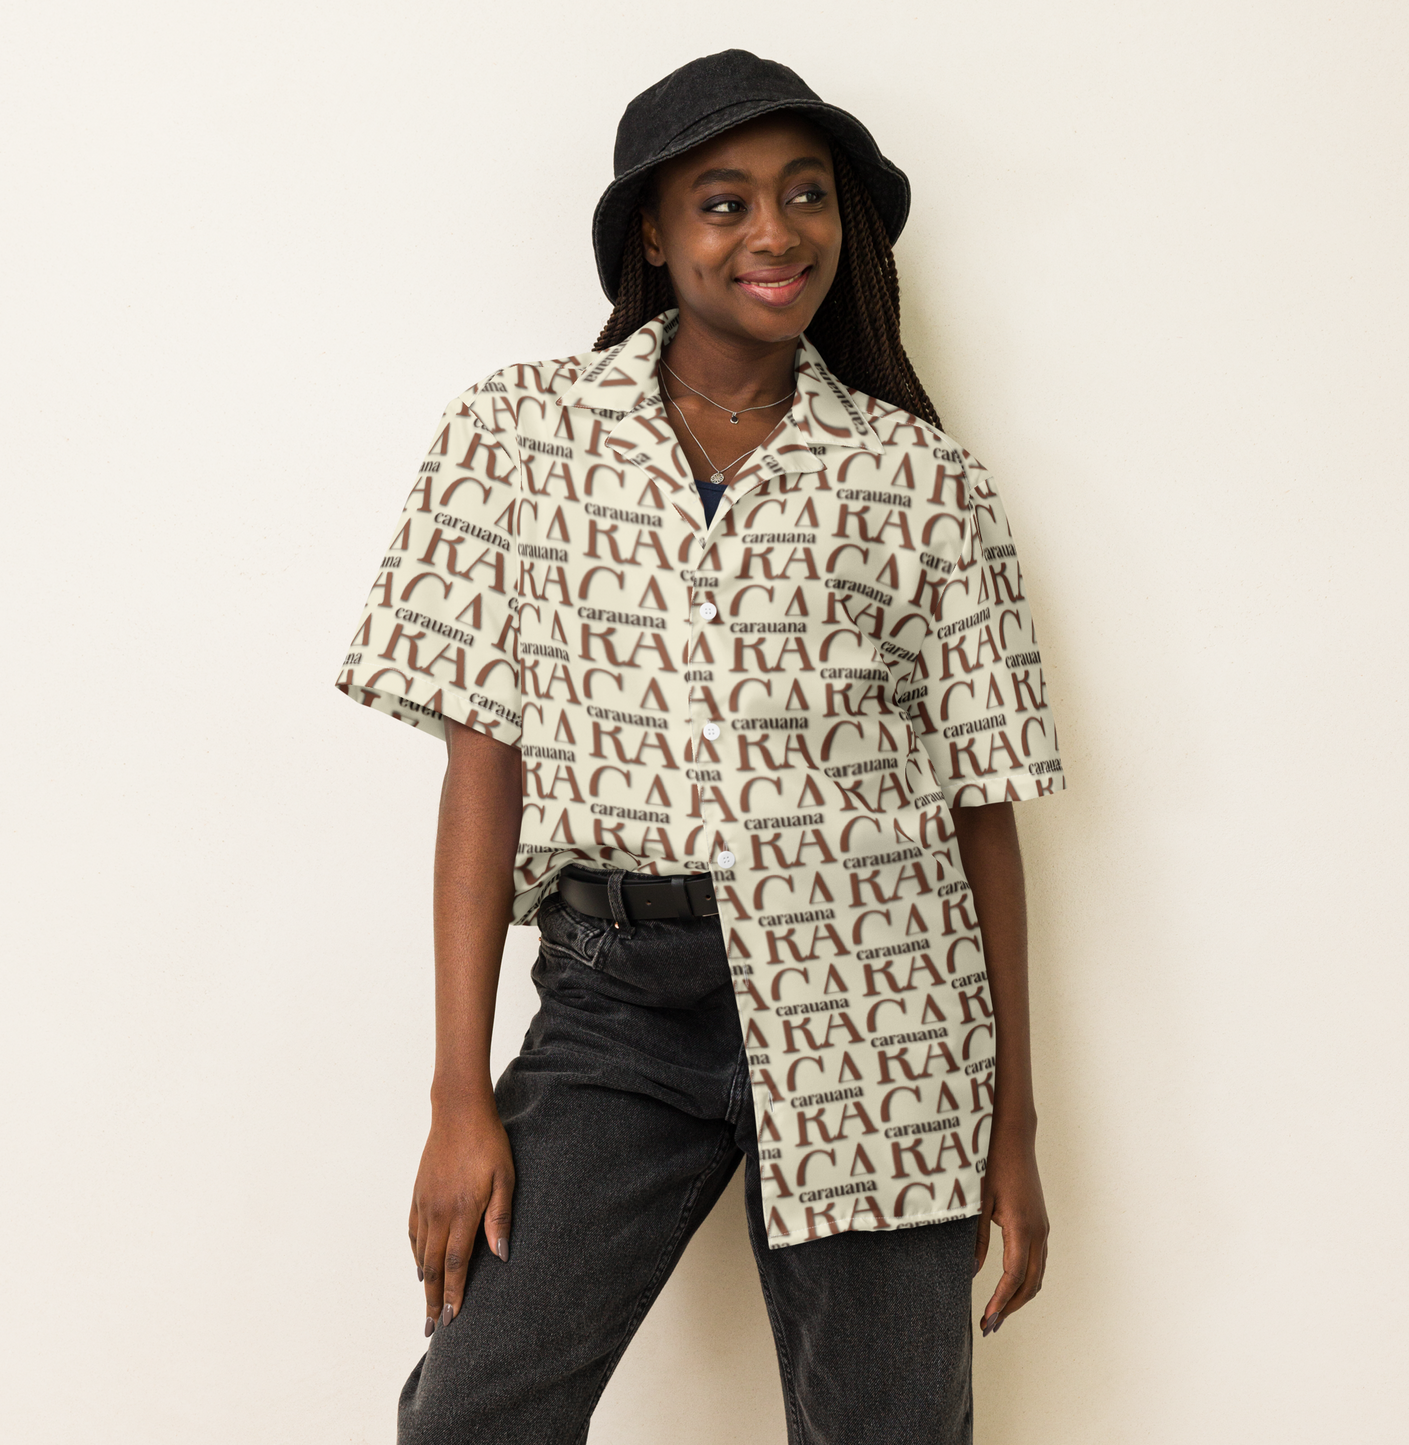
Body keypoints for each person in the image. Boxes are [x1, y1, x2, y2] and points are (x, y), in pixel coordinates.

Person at [335, 48, 1066, 1445]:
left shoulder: (921, 480)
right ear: (655, 239)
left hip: (880, 1008)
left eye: (807, 195)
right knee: (472, 1414)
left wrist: (1011, 1125)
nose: (774, 232)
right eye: (723, 203)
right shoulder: (520, 436)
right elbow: (482, 773)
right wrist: (456, 1095)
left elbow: (985, 810)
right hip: (618, 1002)